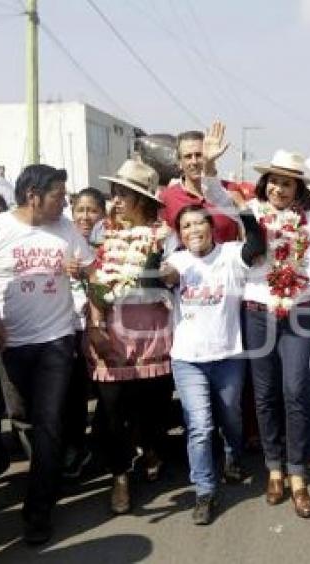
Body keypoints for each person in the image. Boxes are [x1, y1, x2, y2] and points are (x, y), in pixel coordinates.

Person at [0, 164, 94, 544]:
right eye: (59, 195)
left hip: (57, 341)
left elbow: (94, 273)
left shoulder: (67, 229)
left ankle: (38, 512)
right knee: (23, 419)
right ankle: (46, 476)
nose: (66, 203)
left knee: (49, 422)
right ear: (32, 196)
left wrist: (81, 273)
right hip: (11, 345)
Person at [158, 123, 266, 525]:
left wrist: (244, 211)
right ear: (179, 234)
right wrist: (159, 265)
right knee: (200, 426)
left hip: (228, 355)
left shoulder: (231, 254)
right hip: (187, 359)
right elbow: (162, 274)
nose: (193, 231)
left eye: (199, 224)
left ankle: (236, 455)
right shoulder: (178, 262)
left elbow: (256, 247)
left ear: (211, 226)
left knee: (231, 417)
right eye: (185, 227)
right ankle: (204, 491)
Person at [240, 149, 310, 519]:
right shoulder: (251, 211)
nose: (280, 188)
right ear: (267, 183)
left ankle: (298, 475)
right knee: (264, 394)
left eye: (288, 182)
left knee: (294, 390)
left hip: (300, 312)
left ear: (298, 188)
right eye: (275, 181)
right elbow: (240, 257)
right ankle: (274, 468)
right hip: (258, 311)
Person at [88, 159, 176, 516]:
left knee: (152, 405)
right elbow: (94, 282)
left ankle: (151, 447)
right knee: (111, 409)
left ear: (142, 200)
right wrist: (95, 325)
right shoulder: (101, 233)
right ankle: (120, 475)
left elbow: (174, 276)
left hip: (152, 330)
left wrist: (166, 272)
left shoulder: (165, 234)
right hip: (112, 330)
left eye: (123, 194)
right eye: (115, 193)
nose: (116, 200)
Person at [62, 187, 106, 480]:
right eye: (80, 210)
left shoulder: (109, 244)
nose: (86, 216)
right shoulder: (62, 241)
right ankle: (74, 451)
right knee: (72, 395)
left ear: (102, 213)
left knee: (104, 391)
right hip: (66, 328)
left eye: (92, 210)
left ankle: (101, 448)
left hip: (99, 328)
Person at [159, 130, 240, 244]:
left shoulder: (229, 190)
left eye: (199, 155)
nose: (194, 161)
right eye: (188, 156)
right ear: (179, 163)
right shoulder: (167, 198)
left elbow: (246, 234)